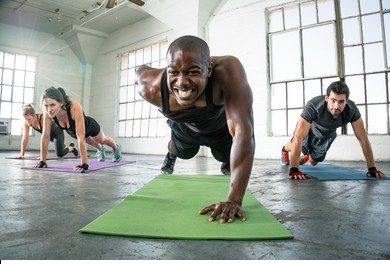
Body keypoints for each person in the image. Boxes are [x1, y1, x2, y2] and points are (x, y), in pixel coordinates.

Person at [135, 35, 255, 223]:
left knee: (226, 157)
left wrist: (234, 200)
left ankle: (226, 161)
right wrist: (153, 68)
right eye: (174, 72)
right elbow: (140, 70)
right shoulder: (150, 88)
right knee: (183, 152)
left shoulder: (227, 72)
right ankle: (171, 155)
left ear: (208, 70)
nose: (182, 82)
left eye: (191, 72)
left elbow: (243, 132)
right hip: (183, 130)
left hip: (219, 129)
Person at [280, 80, 385, 180]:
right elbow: (298, 136)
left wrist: (372, 169)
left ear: (346, 101)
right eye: (333, 101)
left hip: (327, 135)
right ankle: (284, 149)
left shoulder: (352, 110)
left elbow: (363, 138)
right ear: (326, 98)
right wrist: (294, 169)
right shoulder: (314, 105)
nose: (336, 106)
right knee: (298, 144)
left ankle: (306, 156)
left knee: (314, 161)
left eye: (341, 102)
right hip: (310, 129)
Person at [33, 87, 122, 171]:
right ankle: (100, 149)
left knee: (102, 140)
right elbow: (45, 136)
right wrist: (42, 161)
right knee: (90, 142)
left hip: (89, 127)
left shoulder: (74, 107)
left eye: (52, 105)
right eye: (46, 106)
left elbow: (80, 136)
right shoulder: (47, 113)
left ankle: (116, 148)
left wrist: (84, 164)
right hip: (74, 132)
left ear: (61, 103)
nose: (49, 109)